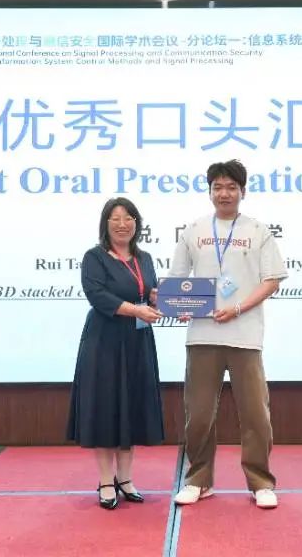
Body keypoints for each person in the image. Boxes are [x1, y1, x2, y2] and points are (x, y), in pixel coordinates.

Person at [169, 160, 288, 509]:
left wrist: (237, 308)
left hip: (245, 335)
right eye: (218, 187)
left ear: (242, 191)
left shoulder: (258, 231)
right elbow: (177, 281)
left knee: (255, 414)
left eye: (231, 187)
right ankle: (198, 480)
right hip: (202, 335)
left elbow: (271, 281)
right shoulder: (193, 230)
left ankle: (261, 482)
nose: (224, 193)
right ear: (210, 191)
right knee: (199, 414)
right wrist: (177, 304)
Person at [66, 197, 164, 510]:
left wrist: (156, 297)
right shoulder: (94, 257)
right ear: (105, 224)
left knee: (131, 406)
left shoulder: (144, 258)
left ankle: (126, 478)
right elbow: (97, 296)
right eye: (116, 218)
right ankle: (106, 481)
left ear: (137, 223)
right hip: (104, 342)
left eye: (129, 218)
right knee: (106, 406)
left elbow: (146, 291)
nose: (123, 224)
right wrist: (136, 309)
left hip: (138, 341)